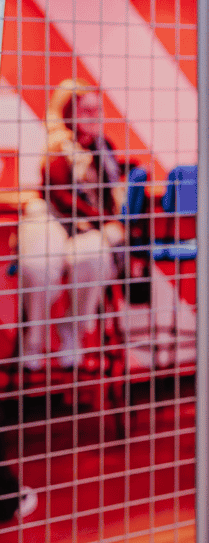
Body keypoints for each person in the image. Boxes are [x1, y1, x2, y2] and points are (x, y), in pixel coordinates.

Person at [18, 80, 122, 370]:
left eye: (98, 109)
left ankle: (72, 333)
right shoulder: (56, 145)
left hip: (87, 227)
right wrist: (102, 218)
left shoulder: (103, 146)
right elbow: (60, 196)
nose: (94, 116)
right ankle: (34, 337)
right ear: (68, 112)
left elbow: (109, 192)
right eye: (86, 110)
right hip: (52, 218)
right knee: (39, 263)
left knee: (96, 255)